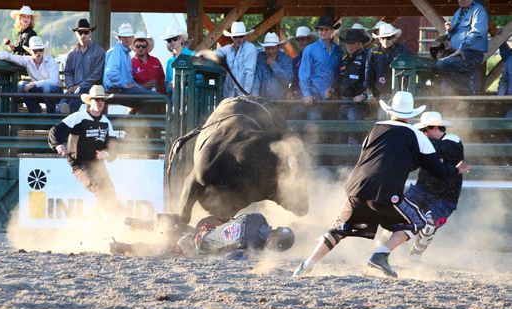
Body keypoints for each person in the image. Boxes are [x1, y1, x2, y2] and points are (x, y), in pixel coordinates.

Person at [293, 91, 471, 278]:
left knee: (338, 229)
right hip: (386, 191)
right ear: (410, 114)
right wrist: (456, 170)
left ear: (390, 111)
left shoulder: (375, 128)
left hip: (357, 188)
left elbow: (367, 154)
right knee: (416, 222)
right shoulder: (415, 136)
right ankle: (380, 255)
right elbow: (438, 169)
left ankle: (306, 265)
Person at [48, 85, 121, 215]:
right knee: (99, 188)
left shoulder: (106, 122)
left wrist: (108, 153)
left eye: (102, 100)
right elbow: (55, 131)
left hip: (98, 164)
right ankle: (110, 222)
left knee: (110, 191)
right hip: (79, 164)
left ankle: (98, 221)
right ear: (90, 101)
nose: (99, 103)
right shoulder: (78, 117)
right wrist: (57, 144)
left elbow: (114, 146)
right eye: (96, 100)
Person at [406, 111, 464, 256]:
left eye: (424, 130)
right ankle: (382, 248)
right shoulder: (426, 143)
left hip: (445, 197)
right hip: (421, 190)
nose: (423, 133)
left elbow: (441, 148)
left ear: (435, 128)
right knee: (397, 212)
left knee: (429, 226)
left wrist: (415, 139)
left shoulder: (453, 141)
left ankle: (416, 253)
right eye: (421, 131)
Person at [111, 213, 295, 258]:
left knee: (174, 224)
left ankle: (140, 224)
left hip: (199, 234)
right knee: (162, 249)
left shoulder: (257, 217)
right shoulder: (255, 250)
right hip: (195, 247)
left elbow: (227, 221)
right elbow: (230, 257)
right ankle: (123, 246)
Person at [0, 36, 62, 113]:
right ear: (30, 51)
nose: (38, 53)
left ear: (43, 51)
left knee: (47, 88)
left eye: (41, 50)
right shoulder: (27, 60)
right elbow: (11, 57)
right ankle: (36, 114)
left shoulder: (50, 61)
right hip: (42, 92)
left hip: (56, 91)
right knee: (22, 85)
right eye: (35, 50)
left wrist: (34, 84)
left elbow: (54, 81)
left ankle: (51, 114)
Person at [327, 28, 371, 144]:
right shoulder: (345, 59)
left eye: (352, 43)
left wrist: (365, 94)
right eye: (347, 42)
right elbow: (340, 80)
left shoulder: (368, 57)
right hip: (343, 102)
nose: (349, 45)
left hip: (360, 105)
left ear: (360, 43)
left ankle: (353, 160)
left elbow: (372, 79)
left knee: (353, 131)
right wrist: (333, 89)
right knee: (341, 135)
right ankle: (342, 160)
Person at [435, 0, 488, 95]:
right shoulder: (458, 12)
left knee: (442, 65)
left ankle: (467, 95)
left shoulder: (479, 10)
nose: (460, 0)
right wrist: (449, 30)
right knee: (442, 67)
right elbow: (452, 35)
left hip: (471, 54)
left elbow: (477, 33)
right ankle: (466, 97)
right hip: (459, 54)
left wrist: (461, 48)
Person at [299, 16, 343, 120]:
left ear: (332, 30)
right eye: (321, 30)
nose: (323, 32)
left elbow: (339, 73)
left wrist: (334, 88)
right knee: (315, 128)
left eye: (326, 29)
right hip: (315, 97)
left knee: (331, 127)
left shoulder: (338, 50)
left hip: (332, 96)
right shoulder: (310, 50)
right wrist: (307, 94)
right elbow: (304, 73)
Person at [60, 19, 106, 114]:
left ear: (90, 33)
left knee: (73, 102)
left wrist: (79, 86)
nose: (83, 35)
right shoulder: (72, 53)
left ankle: (69, 122)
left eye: (86, 32)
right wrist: (71, 86)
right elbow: (68, 72)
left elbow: (96, 75)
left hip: (92, 87)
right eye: (80, 32)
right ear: (76, 34)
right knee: (60, 106)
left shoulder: (99, 51)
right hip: (74, 88)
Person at [365, 23, 410, 118]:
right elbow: (369, 74)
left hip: (400, 95)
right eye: (382, 38)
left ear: (394, 38)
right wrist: (369, 95)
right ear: (379, 39)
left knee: (397, 120)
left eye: (388, 38)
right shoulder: (373, 52)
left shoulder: (403, 51)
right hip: (381, 94)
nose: (385, 40)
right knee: (382, 119)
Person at [103, 23, 160, 97]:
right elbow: (111, 73)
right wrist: (125, 85)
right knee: (156, 97)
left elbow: (130, 79)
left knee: (155, 96)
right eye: (124, 37)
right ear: (120, 38)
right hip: (116, 89)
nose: (127, 39)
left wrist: (139, 87)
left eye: (129, 37)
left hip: (121, 89)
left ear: (132, 38)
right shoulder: (116, 51)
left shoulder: (126, 53)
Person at [215, 21, 258, 98]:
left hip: (244, 93)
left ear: (244, 36)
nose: (238, 39)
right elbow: (214, 53)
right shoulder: (228, 49)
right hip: (230, 93)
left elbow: (249, 72)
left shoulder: (250, 48)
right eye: (235, 37)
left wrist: (246, 93)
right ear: (231, 37)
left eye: (240, 36)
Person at [251, 32, 292, 100]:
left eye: (273, 48)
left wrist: (274, 65)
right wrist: (255, 96)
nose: (270, 51)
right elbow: (257, 78)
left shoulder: (286, 59)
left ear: (278, 47)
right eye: (267, 48)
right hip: (263, 100)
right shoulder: (261, 57)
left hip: (281, 101)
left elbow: (287, 79)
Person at [162, 26, 194, 96]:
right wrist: (169, 86)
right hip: (175, 99)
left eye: (174, 39)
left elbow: (199, 77)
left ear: (180, 39)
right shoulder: (169, 61)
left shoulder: (192, 55)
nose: (172, 42)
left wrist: (182, 82)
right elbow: (167, 82)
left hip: (191, 98)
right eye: (169, 40)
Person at [289, 26, 317, 100]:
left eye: (303, 39)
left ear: (310, 40)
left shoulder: (317, 58)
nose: (300, 42)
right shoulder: (296, 60)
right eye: (298, 40)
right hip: (298, 98)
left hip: (314, 98)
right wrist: (291, 90)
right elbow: (295, 78)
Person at [498, 42, 512, 118]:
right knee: (507, 123)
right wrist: (500, 97)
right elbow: (503, 82)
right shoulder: (509, 60)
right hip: (510, 100)